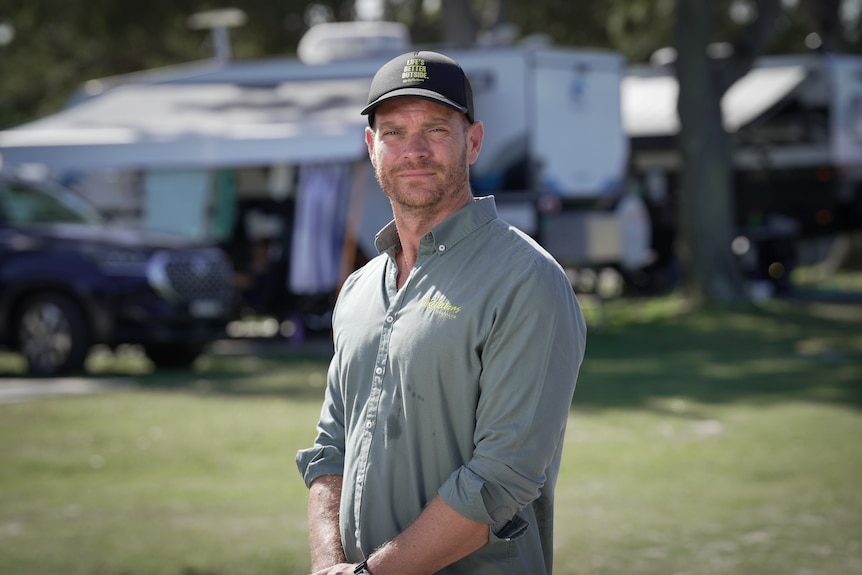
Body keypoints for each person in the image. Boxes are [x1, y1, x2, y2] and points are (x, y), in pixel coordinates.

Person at [296, 50, 587, 575]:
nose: (414, 150)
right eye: (393, 132)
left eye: (435, 129)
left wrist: (368, 574)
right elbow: (329, 450)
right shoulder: (358, 289)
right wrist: (328, 565)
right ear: (371, 147)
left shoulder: (526, 279)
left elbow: (499, 480)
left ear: (472, 142)